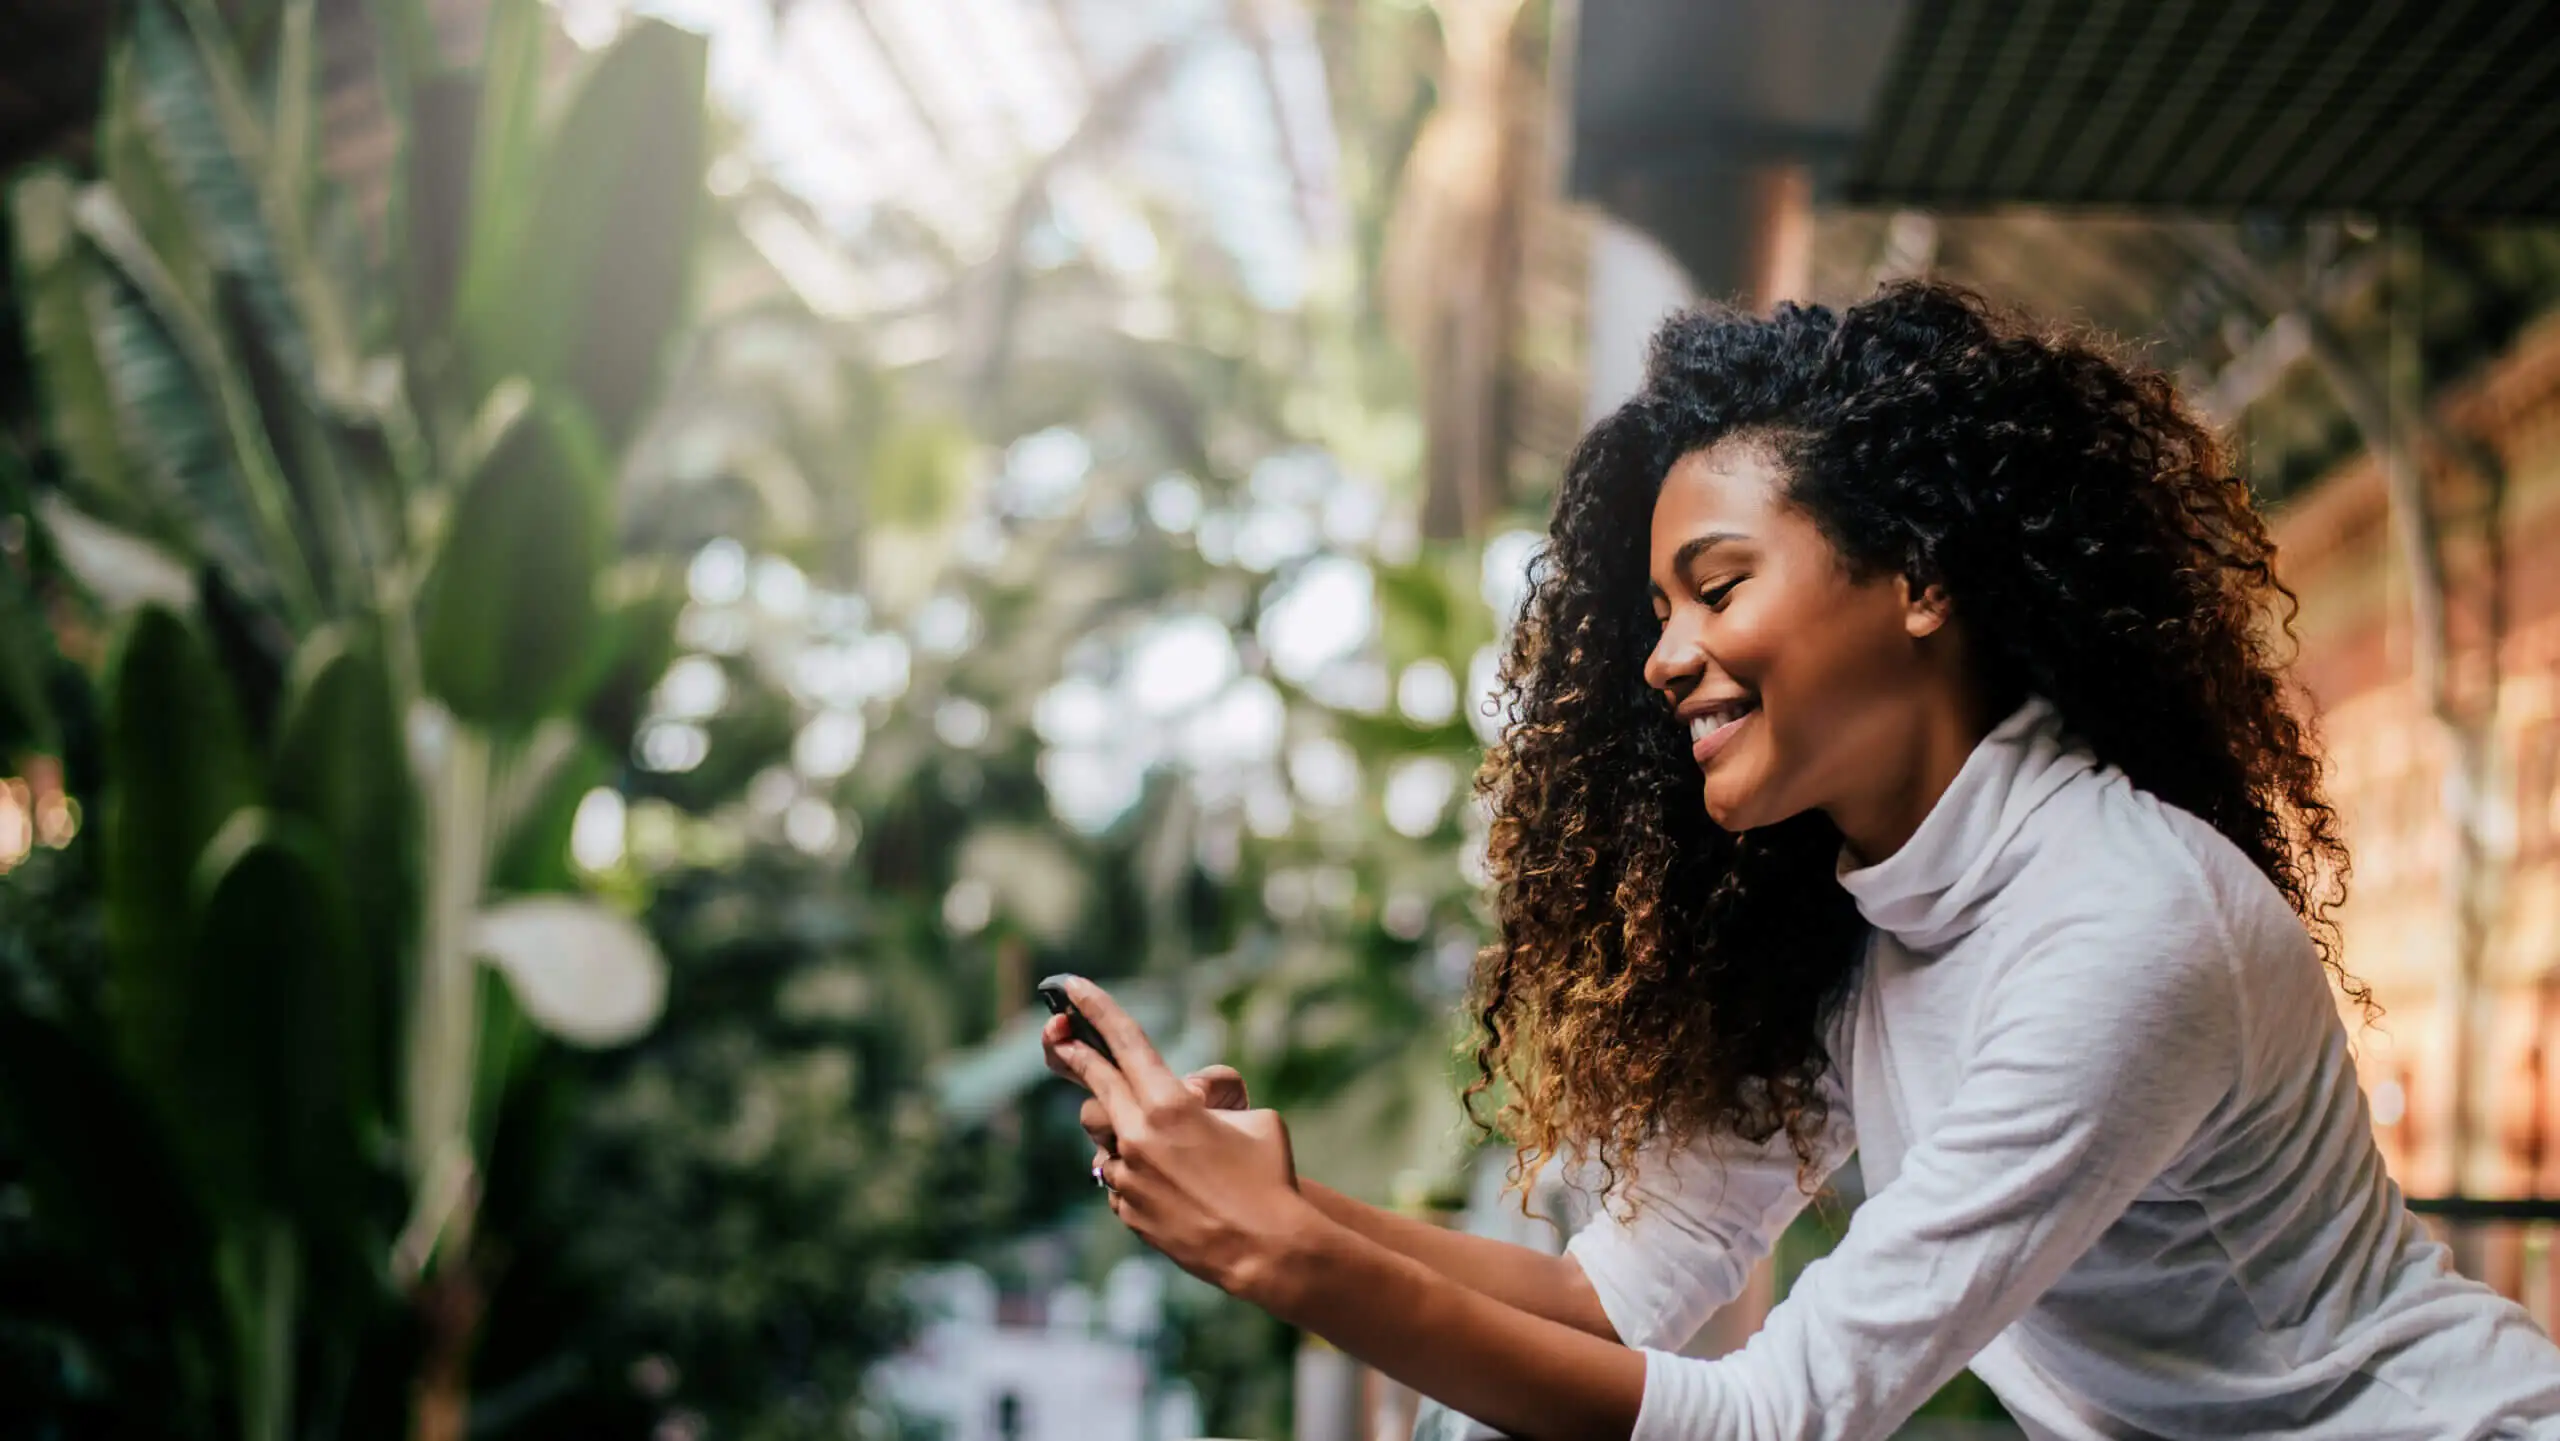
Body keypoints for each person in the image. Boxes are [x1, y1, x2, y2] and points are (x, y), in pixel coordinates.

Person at [1041, 281, 2560, 1441]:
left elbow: (1781, 1416)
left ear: (1921, 577)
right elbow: (1606, 1301)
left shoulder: (2123, 921)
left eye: (1716, 587)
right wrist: (1299, 1213)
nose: (1667, 658)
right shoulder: (1869, 922)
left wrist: (1290, 1267)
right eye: (1657, 613)